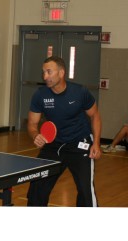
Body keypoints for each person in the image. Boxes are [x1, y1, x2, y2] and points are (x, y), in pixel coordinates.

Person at [27, 56, 102, 207]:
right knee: (37, 186)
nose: (45, 76)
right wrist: (35, 135)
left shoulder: (80, 92)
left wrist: (96, 144)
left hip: (79, 143)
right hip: (54, 145)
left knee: (85, 189)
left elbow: (95, 115)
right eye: (43, 72)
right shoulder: (40, 95)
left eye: (49, 72)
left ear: (61, 73)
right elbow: (32, 124)